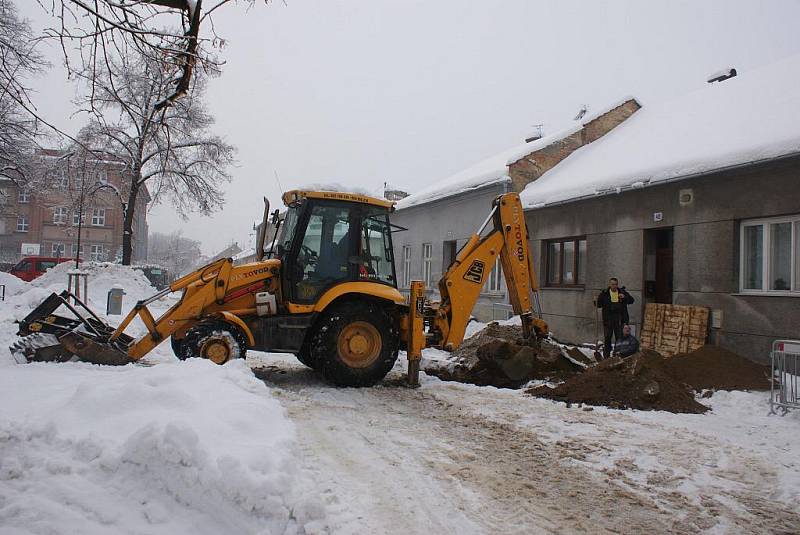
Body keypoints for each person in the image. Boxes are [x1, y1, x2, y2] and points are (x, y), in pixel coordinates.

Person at [595, 277, 634, 359]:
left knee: (619, 338)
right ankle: (606, 356)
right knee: (607, 338)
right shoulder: (605, 293)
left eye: (616, 284)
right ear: (609, 285)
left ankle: (617, 355)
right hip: (608, 319)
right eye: (613, 284)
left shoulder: (621, 292)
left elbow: (631, 300)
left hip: (619, 319)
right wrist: (596, 300)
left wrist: (625, 297)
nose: (614, 286)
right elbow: (598, 305)